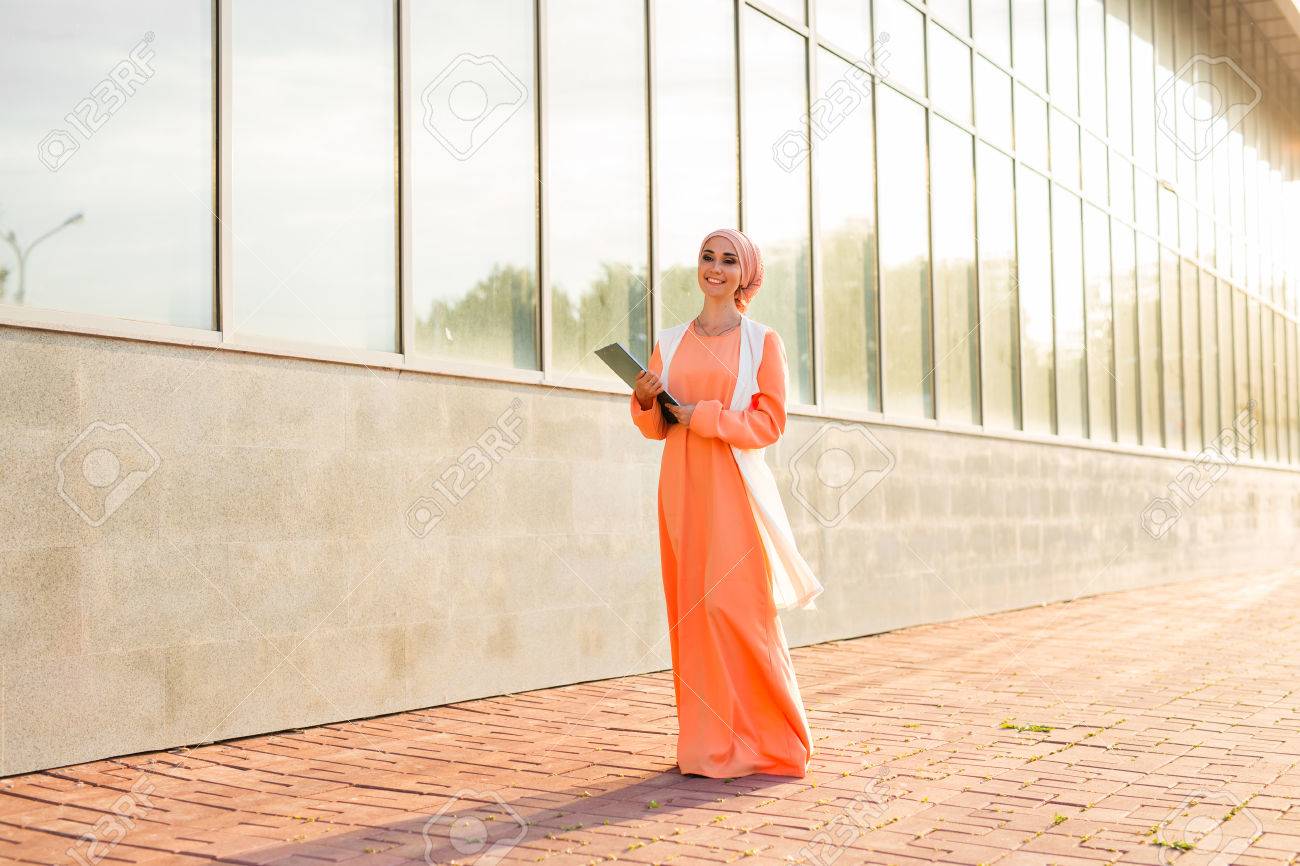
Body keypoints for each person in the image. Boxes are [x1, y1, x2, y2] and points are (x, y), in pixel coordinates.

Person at [629, 228, 818, 779]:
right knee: (691, 613)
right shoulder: (670, 339)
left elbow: (770, 422)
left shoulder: (763, 341)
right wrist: (645, 401)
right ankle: (706, 747)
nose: (715, 267)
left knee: (735, 611)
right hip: (681, 486)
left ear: (745, 274)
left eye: (728, 260)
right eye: (708, 257)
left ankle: (775, 741)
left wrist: (706, 418)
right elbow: (655, 425)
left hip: (733, 486)